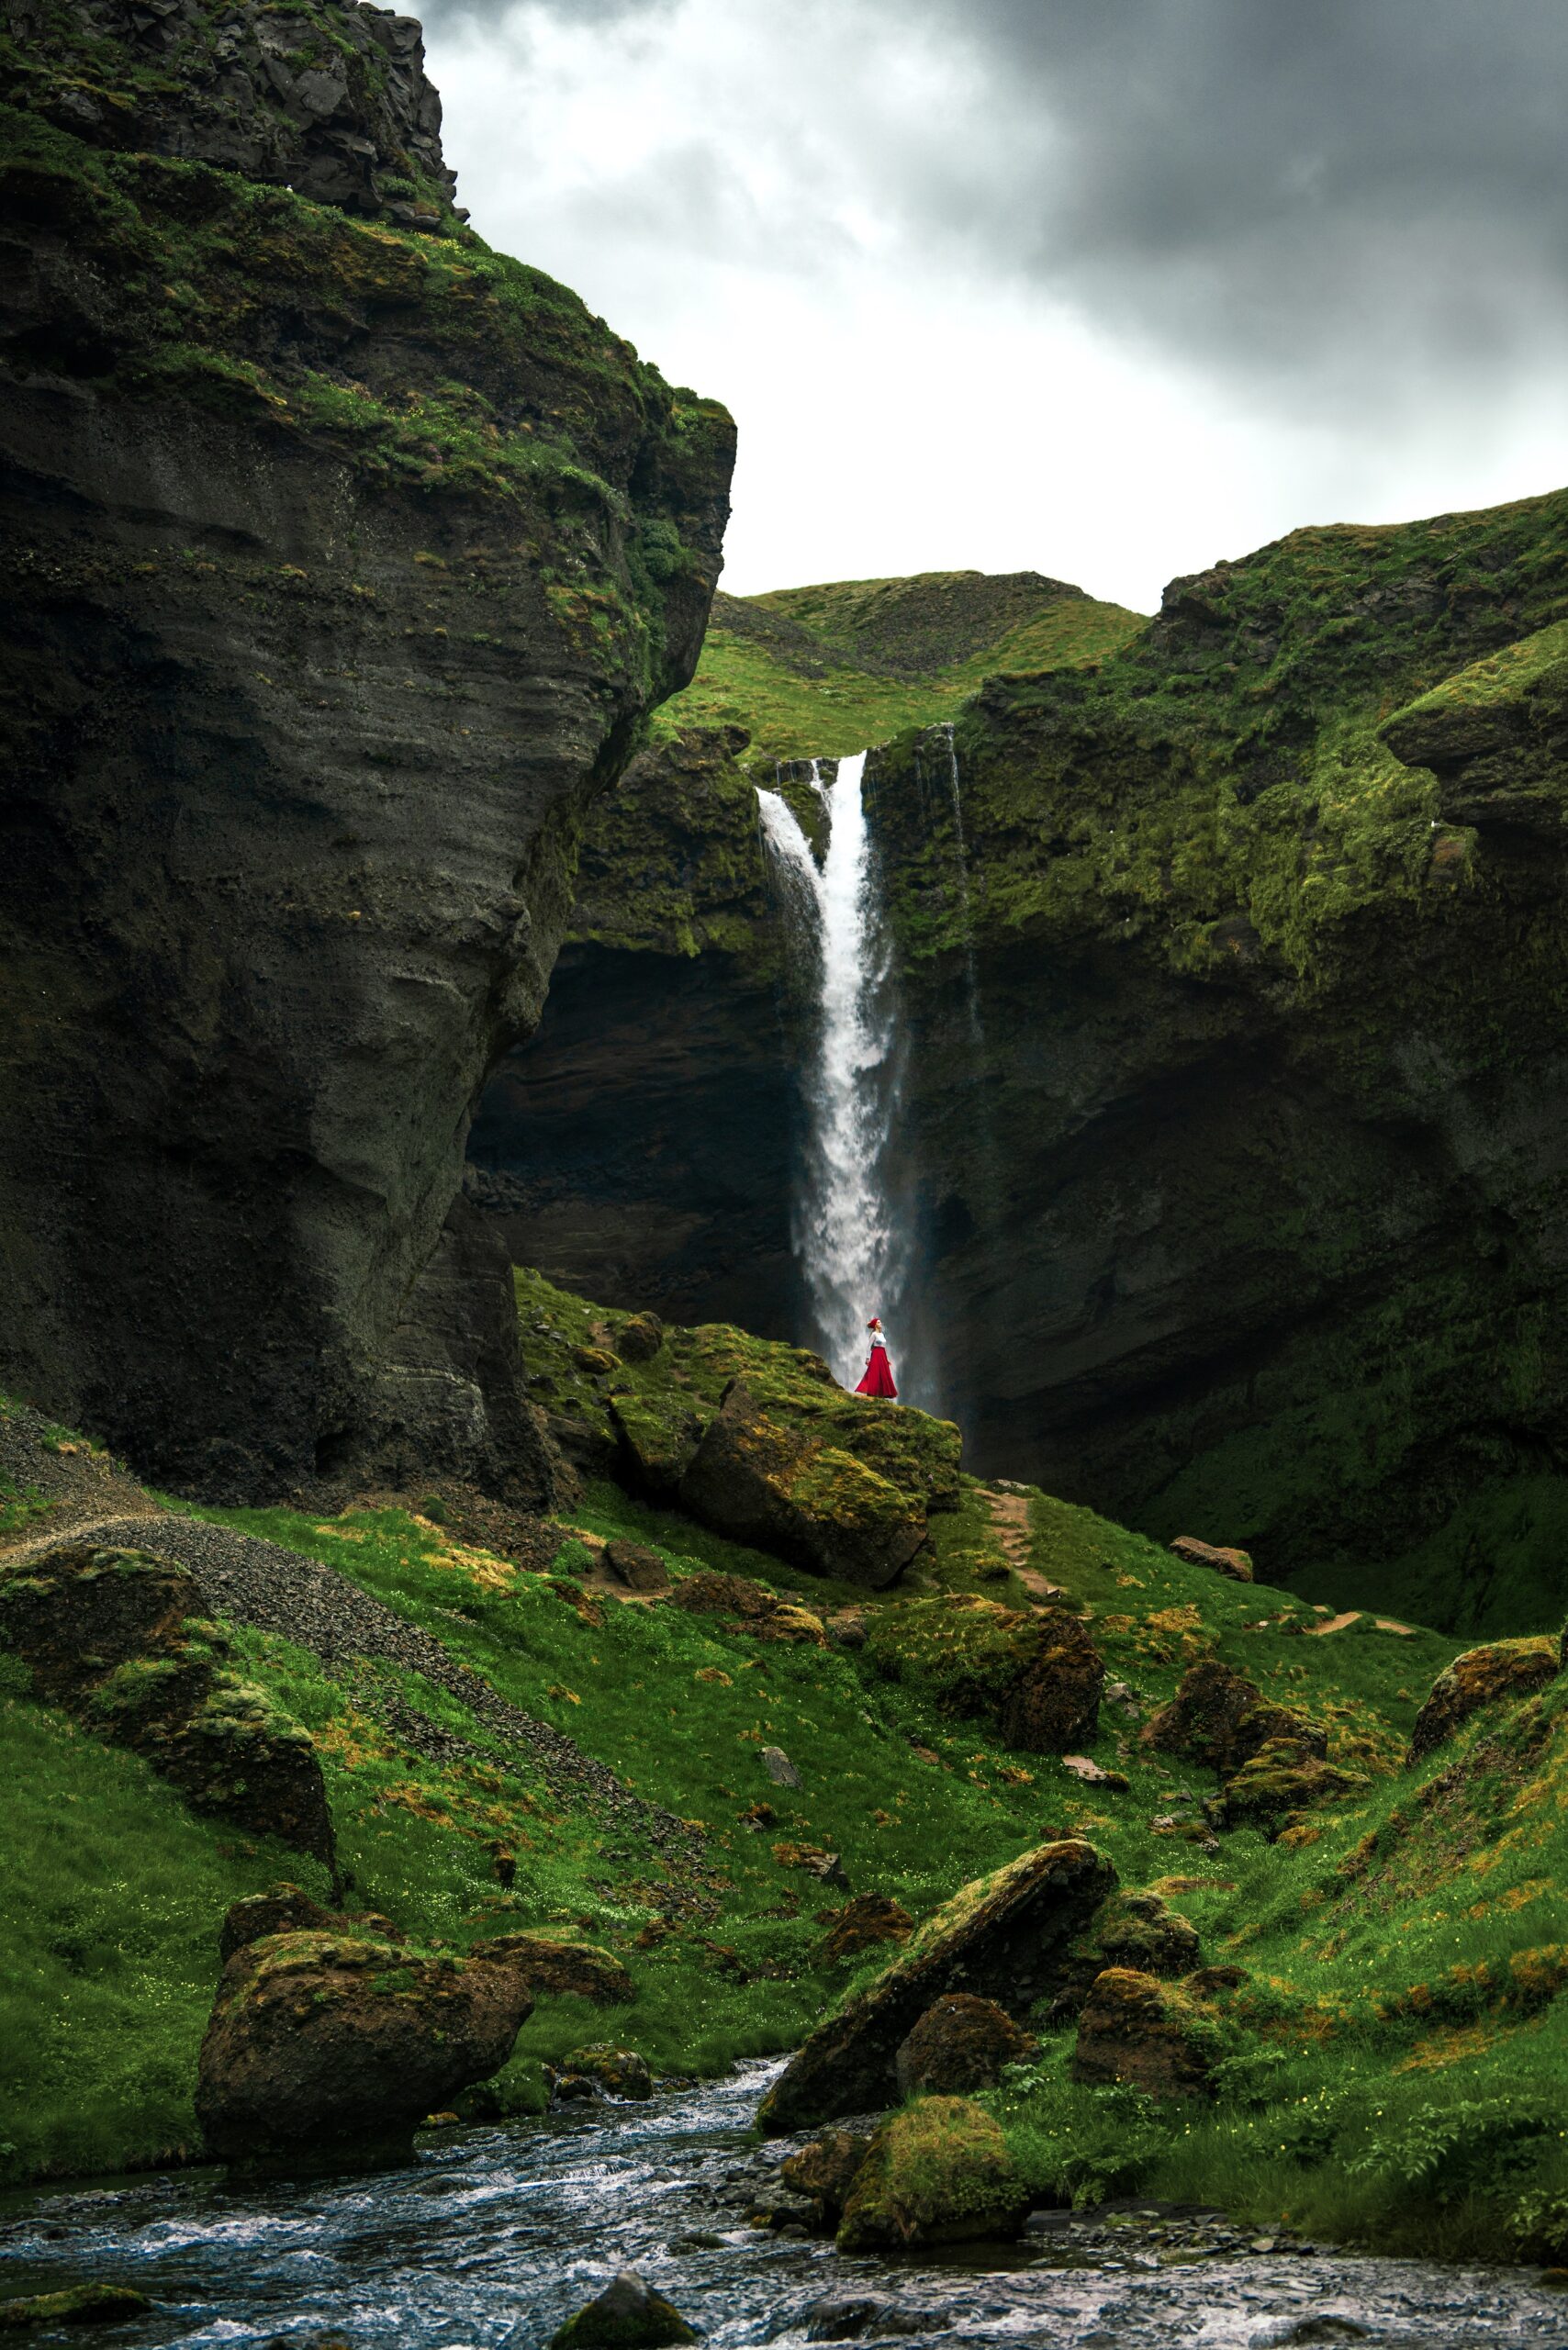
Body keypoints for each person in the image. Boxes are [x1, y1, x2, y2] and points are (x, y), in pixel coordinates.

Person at [855, 1315, 898, 1399]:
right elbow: (868, 1346)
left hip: (882, 1355)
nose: (880, 1323)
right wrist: (868, 1358)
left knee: (884, 1374)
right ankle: (872, 1393)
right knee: (875, 1373)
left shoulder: (882, 1334)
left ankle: (883, 1393)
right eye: (878, 1322)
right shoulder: (874, 1334)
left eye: (880, 1322)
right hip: (876, 1354)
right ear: (875, 1325)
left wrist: (886, 1359)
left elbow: (883, 1347)